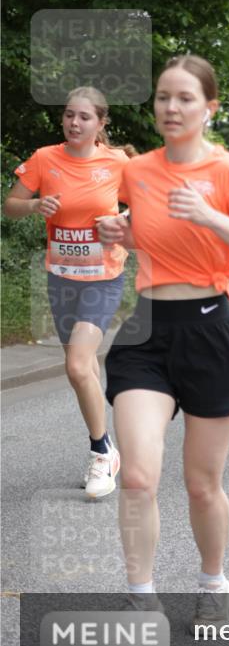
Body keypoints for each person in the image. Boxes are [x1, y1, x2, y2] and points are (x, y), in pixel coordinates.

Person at [97, 55, 229, 625]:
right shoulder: (138, 171)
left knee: (202, 485)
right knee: (136, 474)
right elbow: (147, 233)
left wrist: (209, 215)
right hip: (148, 329)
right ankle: (140, 593)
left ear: (210, 108)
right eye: (162, 97)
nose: (171, 108)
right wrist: (122, 233)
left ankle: (213, 580)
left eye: (184, 98)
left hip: (210, 328)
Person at [3, 87, 134, 499]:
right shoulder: (45, 159)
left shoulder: (117, 162)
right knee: (84, 370)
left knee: (78, 366)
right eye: (68, 116)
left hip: (103, 278)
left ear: (101, 124)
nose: (74, 123)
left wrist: (123, 220)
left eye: (84, 117)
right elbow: (10, 204)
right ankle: (109, 446)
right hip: (60, 278)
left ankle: (100, 452)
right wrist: (34, 206)